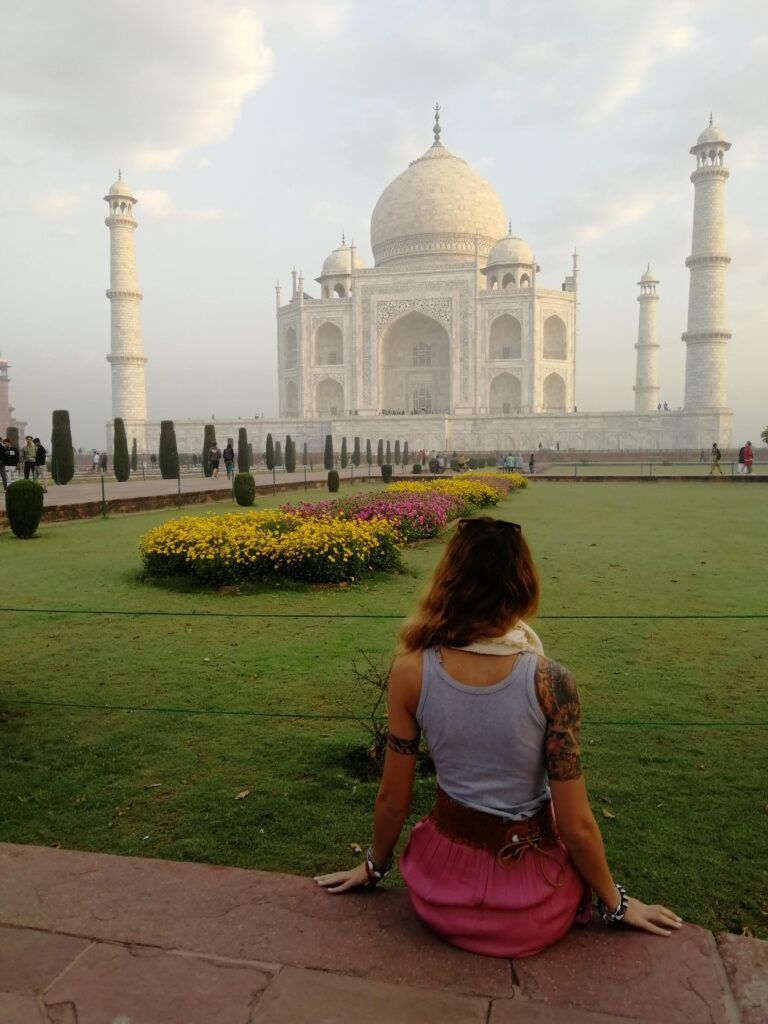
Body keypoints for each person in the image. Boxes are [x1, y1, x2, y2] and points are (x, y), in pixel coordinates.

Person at [314, 518, 681, 956]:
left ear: (449, 580)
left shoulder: (411, 671)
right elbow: (577, 826)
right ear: (523, 584)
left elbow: (394, 799)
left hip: (440, 895)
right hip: (533, 906)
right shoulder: (552, 682)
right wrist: (617, 904)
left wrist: (373, 868)